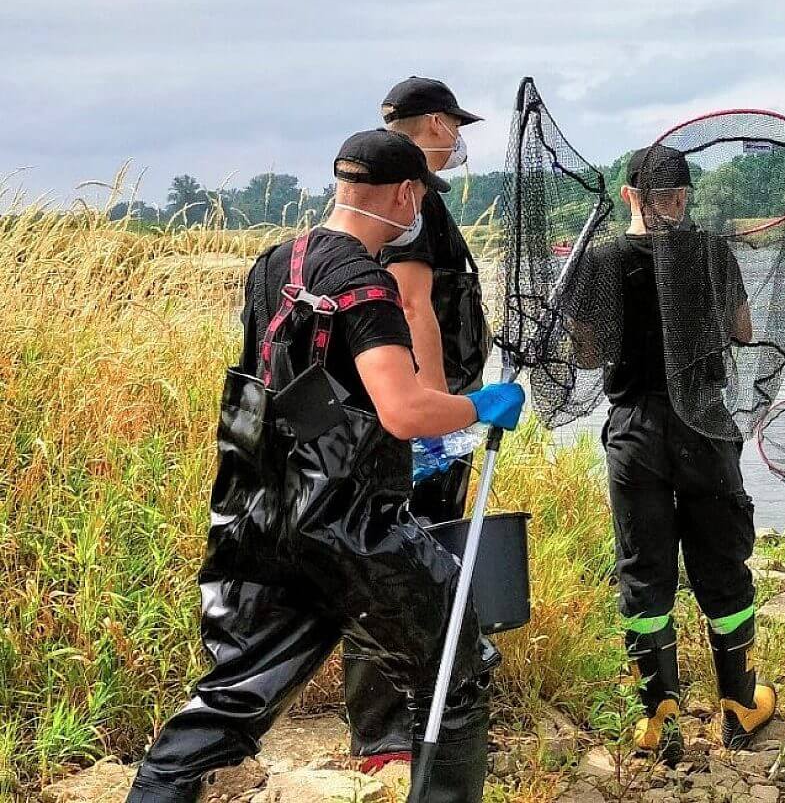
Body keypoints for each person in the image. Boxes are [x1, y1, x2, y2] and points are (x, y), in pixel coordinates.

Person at [125, 131, 527, 803]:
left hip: (260, 523)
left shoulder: (272, 266)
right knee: (453, 675)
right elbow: (403, 411)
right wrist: (479, 405)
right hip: (352, 530)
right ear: (407, 195)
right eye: (421, 197)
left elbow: (278, 390)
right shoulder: (365, 284)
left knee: (231, 700)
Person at [571, 146, 775, 763]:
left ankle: (659, 720)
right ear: (681, 196)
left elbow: (586, 355)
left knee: (643, 569)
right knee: (723, 562)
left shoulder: (600, 261)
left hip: (635, 429)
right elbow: (742, 331)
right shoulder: (711, 251)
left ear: (628, 195)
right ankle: (739, 705)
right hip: (704, 424)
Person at [345, 76, 493, 772]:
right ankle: (384, 733)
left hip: (420, 404)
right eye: (454, 125)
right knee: (401, 554)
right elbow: (410, 303)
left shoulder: (405, 197)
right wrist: (435, 412)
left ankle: (419, 710)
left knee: (420, 553)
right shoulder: (411, 202)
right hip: (420, 410)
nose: (458, 138)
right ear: (435, 123)